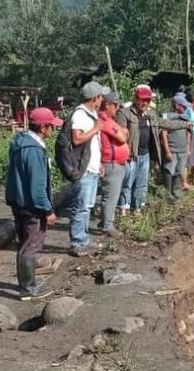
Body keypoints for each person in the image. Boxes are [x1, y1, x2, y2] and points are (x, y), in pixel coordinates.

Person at [5, 107, 63, 298]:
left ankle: (25, 284)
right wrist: (48, 210)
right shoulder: (34, 150)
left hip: (19, 201)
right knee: (29, 246)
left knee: (23, 244)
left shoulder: (19, 142)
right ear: (43, 127)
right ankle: (28, 288)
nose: (53, 131)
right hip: (31, 206)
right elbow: (37, 186)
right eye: (51, 127)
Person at [115, 85, 191, 216]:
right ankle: (123, 209)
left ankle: (137, 209)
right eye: (142, 99)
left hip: (145, 155)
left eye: (147, 100)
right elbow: (120, 135)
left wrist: (184, 124)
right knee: (127, 183)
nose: (145, 103)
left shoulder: (150, 114)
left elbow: (165, 123)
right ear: (136, 98)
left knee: (141, 184)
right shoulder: (125, 114)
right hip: (131, 155)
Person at [68, 81, 108, 257]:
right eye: (101, 96)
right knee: (81, 207)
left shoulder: (91, 113)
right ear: (95, 98)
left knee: (88, 206)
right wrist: (96, 129)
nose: (102, 100)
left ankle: (83, 239)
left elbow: (93, 144)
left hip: (91, 168)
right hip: (82, 170)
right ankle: (77, 242)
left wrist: (97, 163)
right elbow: (77, 139)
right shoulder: (80, 115)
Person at [98, 91, 129, 235]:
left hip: (117, 163)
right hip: (110, 162)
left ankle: (105, 221)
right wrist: (122, 131)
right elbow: (122, 137)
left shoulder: (110, 120)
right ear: (107, 105)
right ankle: (107, 225)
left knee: (112, 194)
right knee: (110, 195)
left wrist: (122, 131)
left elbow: (124, 132)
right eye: (115, 105)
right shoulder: (103, 120)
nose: (117, 108)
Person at [160, 94, 192, 201]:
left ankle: (176, 191)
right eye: (183, 106)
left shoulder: (184, 118)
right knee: (169, 170)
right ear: (177, 105)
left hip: (182, 150)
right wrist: (167, 151)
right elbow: (164, 134)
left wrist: (187, 147)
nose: (185, 108)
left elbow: (188, 134)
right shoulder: (167, 118)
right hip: (172, 150)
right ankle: (167, 193)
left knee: (179, 171)